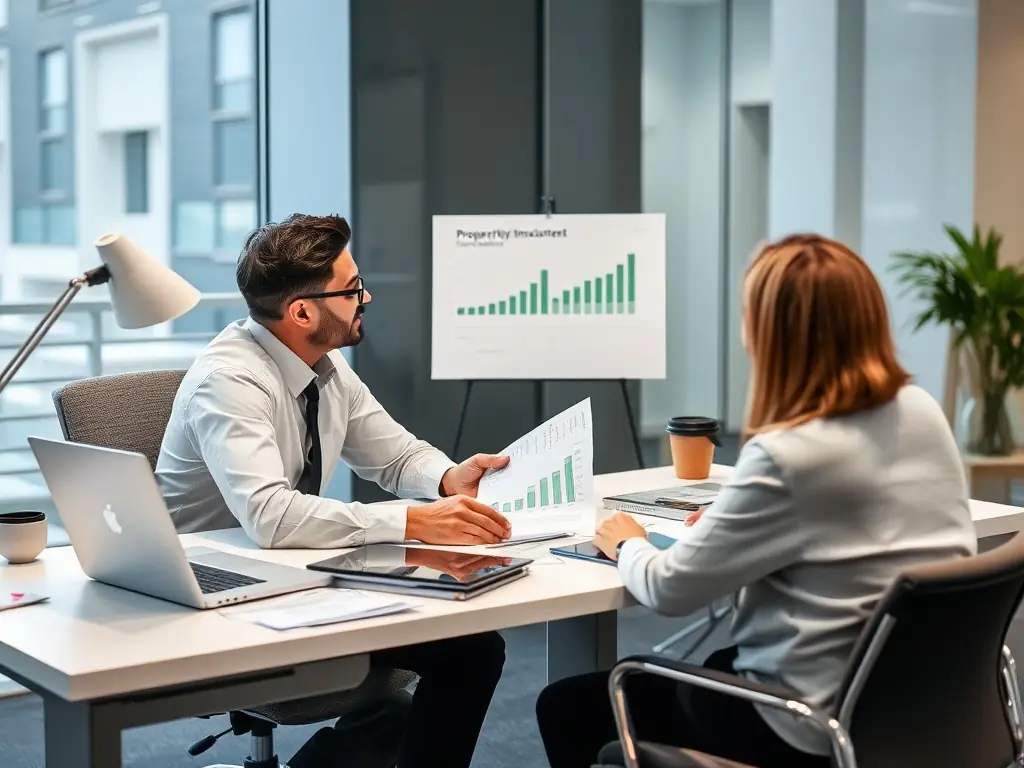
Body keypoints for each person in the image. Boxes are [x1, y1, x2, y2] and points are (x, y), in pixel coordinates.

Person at [535, 234, 978, 768]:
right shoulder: (920, 410)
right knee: (716, 660)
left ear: (772, 335)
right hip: (918, 710)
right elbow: (844, 526)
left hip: (805, 726)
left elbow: (669, 589)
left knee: (568, 706)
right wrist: (738, 521)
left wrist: (629, 542)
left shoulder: (787, 455)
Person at [156, 213, 510, 768]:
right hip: (213, 602)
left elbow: (394, 454)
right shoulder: (229, 380)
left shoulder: (324, 366)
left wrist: (446, 479)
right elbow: (271, 517)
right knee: (460, 659)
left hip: (297, 576)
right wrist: (416, 521)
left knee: (465, 650)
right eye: (352, 289)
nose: (366, 297)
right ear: (302, 312)